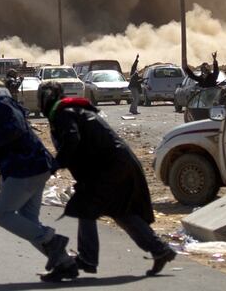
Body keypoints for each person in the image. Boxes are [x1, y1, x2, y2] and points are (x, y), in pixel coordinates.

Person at [39, 82, 176, 278]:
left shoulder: (65, 113)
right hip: (114, 165)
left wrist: (54, 165)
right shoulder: (68, 111)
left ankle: (87, 258)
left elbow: (72, 140)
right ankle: (159, 249)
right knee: (119, 210)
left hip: (110, 167)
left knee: (85, 207)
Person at [0, 66, 78, 283]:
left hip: (26, 167)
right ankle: (65, 263)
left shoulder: (0, 104)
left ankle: (53, 241)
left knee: (2, 213)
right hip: (33, 166)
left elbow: (15, 129)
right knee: (28, 221)